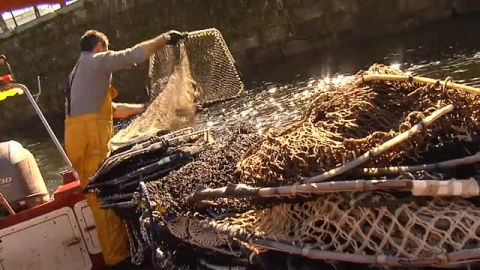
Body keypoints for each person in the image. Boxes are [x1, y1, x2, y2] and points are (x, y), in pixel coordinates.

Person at [64, 29, 186, 268]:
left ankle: (122, 254)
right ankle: (119, 261)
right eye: (106, 49)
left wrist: (143, 108)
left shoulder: (79, 72)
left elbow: (113, 109)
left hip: (81, 140)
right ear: (99, 46)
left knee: (101, 195)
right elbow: (131, 56)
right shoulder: (97, 61)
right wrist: (164, 39)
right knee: (103, 201)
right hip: (90, 143)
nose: (107, 53)